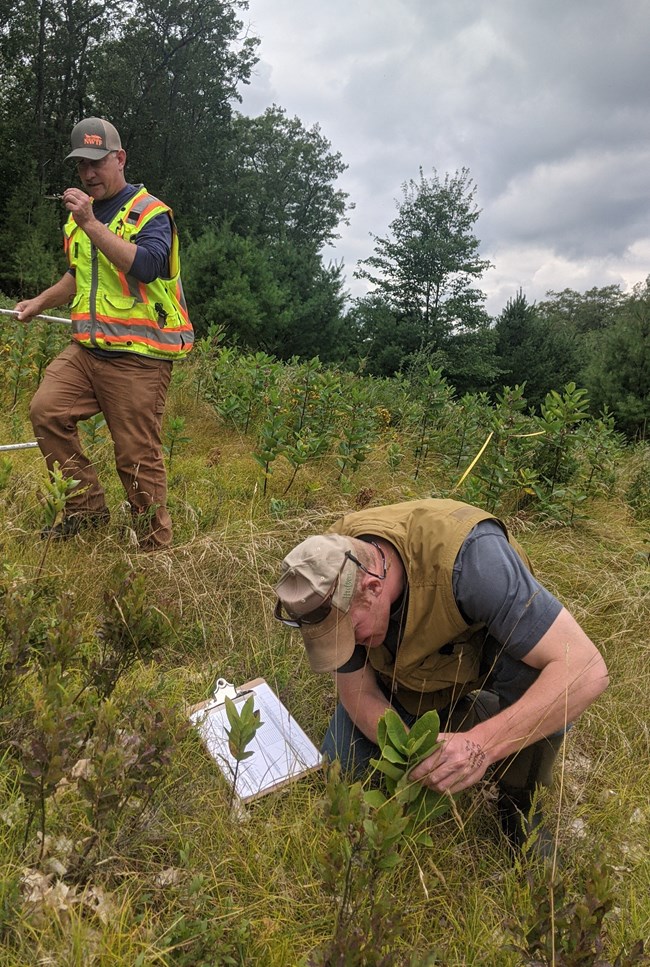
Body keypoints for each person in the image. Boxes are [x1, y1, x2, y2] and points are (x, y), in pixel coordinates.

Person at [274, 498, 608, 857]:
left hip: (478, 661)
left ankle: (519, 803)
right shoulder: (328, 568)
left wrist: (480, 745)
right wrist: (407, 749)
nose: (350, 645)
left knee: (534, 670)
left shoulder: (475, 562)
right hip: (406, 678)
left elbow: (586, 670)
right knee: (342, 772)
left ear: (373, 587)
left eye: (351, 631)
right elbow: (356, 689)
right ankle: (457, 718)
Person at [15, 117, 193, 551]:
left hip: (140, 355)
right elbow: (80, 274)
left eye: (97, 162)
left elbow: (148, 266)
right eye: (81, 166)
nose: (89, 173)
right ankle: (86, 512)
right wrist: (40, 301)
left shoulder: (151, 213)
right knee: (46, 412)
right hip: (87, 350)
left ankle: (155, 549)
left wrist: (92, 224)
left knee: (136, 455)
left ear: (120, 159)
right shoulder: (79, 220)